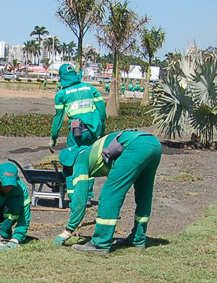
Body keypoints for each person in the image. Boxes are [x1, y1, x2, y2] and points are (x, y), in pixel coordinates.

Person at [53, 130, 162, 254]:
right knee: (144, 194)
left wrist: (68, 231)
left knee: (109, 195)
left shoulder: (79, 160)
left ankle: (100, 243)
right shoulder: (90, 151)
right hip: (153, 143)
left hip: (134, 146)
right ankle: (138, 238)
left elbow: (80, 200)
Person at [49, 63, 106, 201]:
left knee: (71, 161)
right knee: (89, 161)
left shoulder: (62, 94)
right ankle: (88, 195)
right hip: (93, 131)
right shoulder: (89, 88)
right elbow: (102, 110)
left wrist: (53, 137)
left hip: (77, 133)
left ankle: (75, 197)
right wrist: (101, 128)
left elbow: (58, 118)